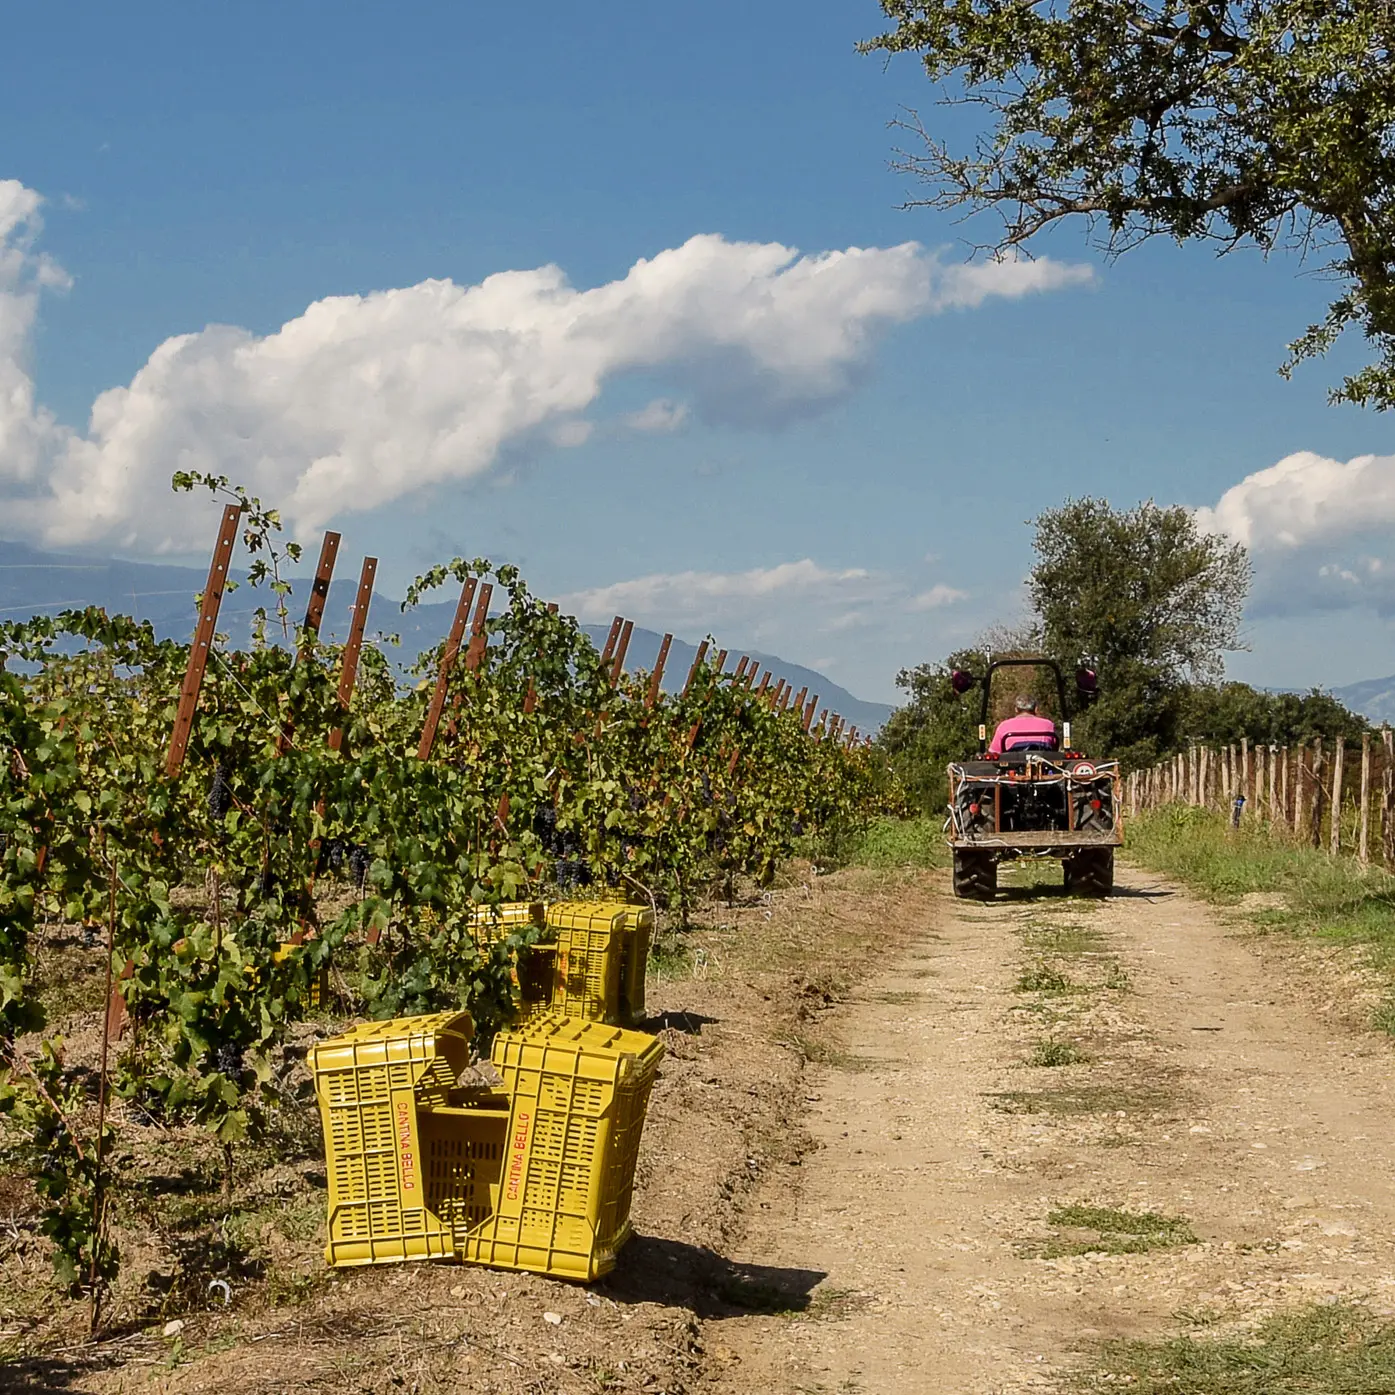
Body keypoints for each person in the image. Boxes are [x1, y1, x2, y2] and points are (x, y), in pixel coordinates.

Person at [988, 694, 1057, 756]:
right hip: (1042, 763)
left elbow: (995, 752)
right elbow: (1054, 749)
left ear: (1016, 709)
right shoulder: (1048, 725)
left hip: (1013, 764)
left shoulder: (1004, 726)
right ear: (1036, 709)